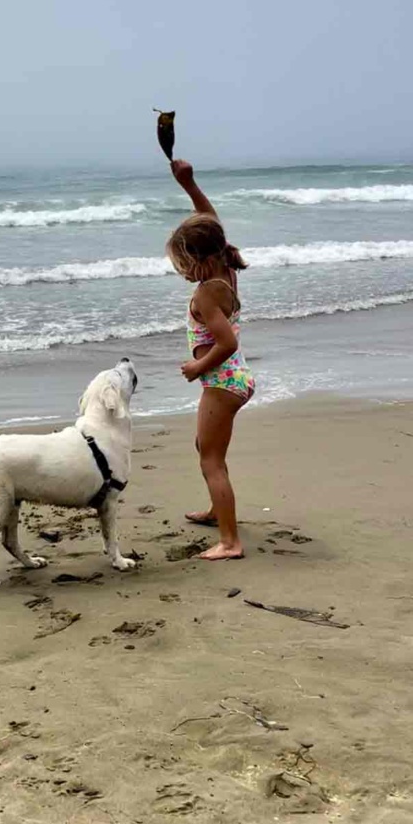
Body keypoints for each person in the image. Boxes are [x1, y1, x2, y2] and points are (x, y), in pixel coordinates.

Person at [167, 159, 255, 560]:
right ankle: (217, 511)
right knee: (205, 445)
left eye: (183, 264)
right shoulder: (225, 267)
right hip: (232, 380)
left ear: (200, 259)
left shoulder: (206, 292)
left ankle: (230, 542)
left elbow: (227, 344)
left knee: (211, 460)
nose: (182, 271)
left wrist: (197, 367)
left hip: (222, 381)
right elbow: (210, 221)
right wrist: (189, 183)